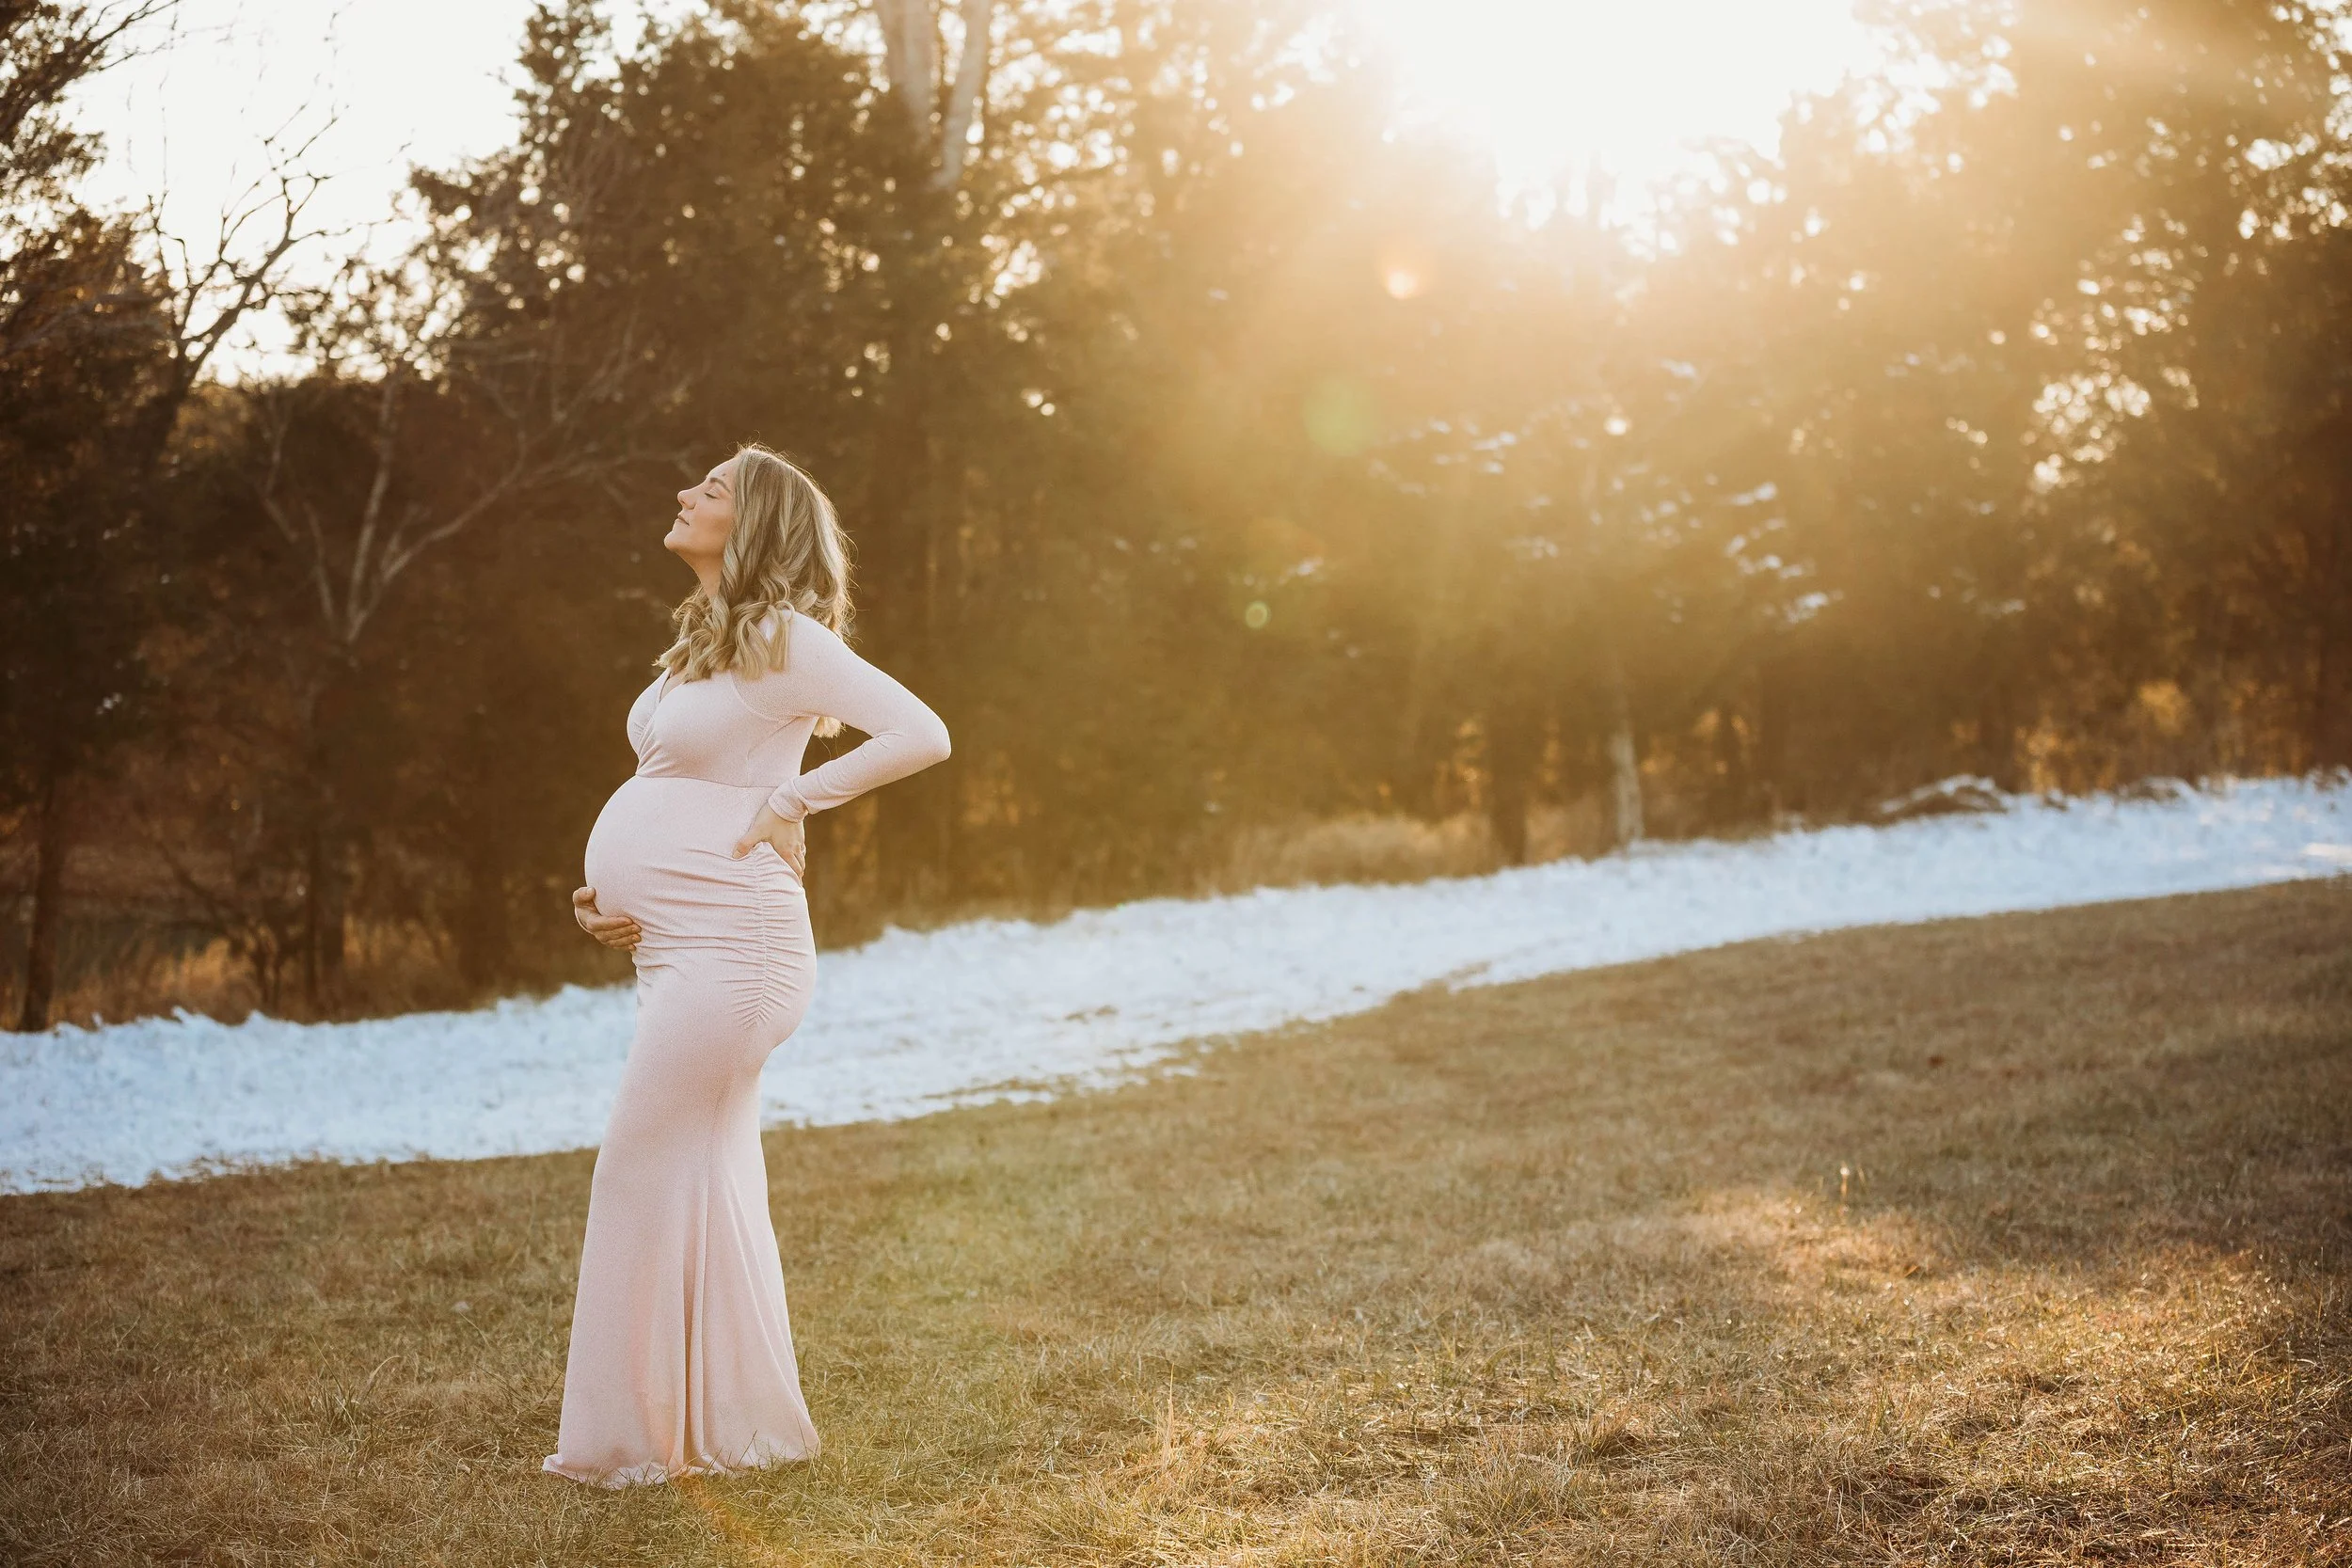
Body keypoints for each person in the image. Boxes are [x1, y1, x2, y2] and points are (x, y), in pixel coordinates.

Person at [544, 443, 950, 1486]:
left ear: (757, 521)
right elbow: (673, 785)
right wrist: (608, 897)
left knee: (635, 1165)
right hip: (676, 946)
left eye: (713, 487)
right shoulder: (707, 638)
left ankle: (626, 1444)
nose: (686, 494)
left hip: (738, 947)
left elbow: (922, 732)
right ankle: (734, 1430)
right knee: (702, 1175)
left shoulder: (786, 637)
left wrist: (792, 800)